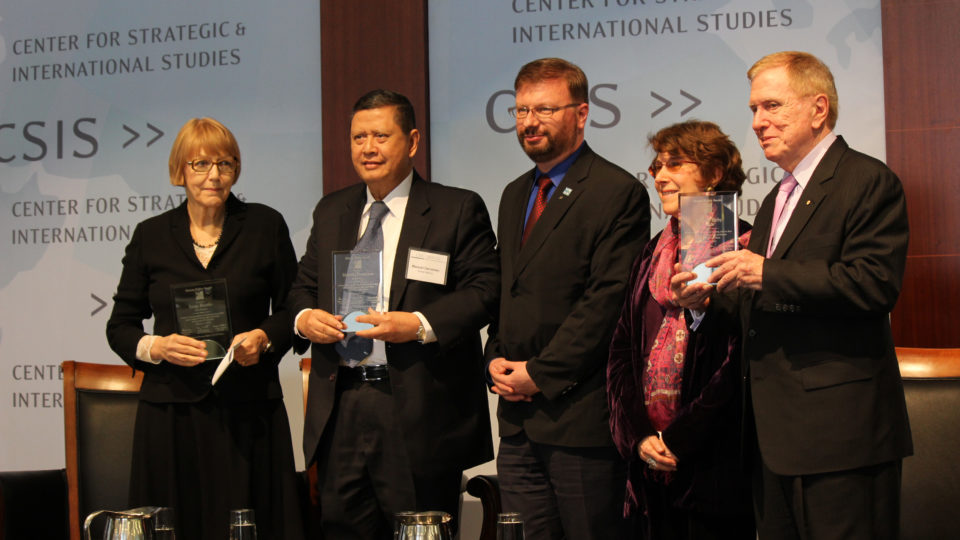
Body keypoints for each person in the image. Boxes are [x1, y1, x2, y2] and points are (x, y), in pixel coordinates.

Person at [673, 51, 912, 539]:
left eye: (772, 106)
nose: (758, 122)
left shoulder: (866, 180)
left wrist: (767, 273)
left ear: (818, 109)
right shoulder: (778, 197)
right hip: (773, 440)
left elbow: (874, 284)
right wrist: (705, 302)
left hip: (841, 439)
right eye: (754, 109)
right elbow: (758, 304)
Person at [288, 89, 499, 539]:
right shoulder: (332, 210)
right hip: (342, 402)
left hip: (419, 407)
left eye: (381, 136)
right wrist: (304, 317)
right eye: (358, 137)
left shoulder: (455, 208)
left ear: (413, 141)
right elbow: (302, 285)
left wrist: (419, 325)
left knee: (419, 528)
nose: (368, 148)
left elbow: (485, 290)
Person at [106, 117, 303, 540]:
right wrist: (157, 347)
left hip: (249, 410)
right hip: (171, 413)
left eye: (225, 164)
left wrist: (264, 337)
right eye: (200, 164)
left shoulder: (265, 225)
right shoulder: (150, 236)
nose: (214, 175)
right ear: (180, 170)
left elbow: (294, 308)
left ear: (236, 170)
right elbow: (120, 326)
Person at [486, 57, 651, 540]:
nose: (529, 122)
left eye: (545, 110)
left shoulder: (616, 192)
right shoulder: (514, 194)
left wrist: (539, 374)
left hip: (581, 423)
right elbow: (508, 291)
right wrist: (493, 357)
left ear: (581, 114)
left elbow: (606, 304)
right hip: (517, 423)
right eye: (521, 111)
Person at [607, 120, 755, 539]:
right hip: (649, 464)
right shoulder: (650, 253)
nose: (660, 176)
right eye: (657, 166)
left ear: (714, 173)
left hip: (712, 467)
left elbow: (736, 364)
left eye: (675, 164)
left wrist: (679, 439)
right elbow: (621, 352)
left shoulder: (745, 247)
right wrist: (639, 437)